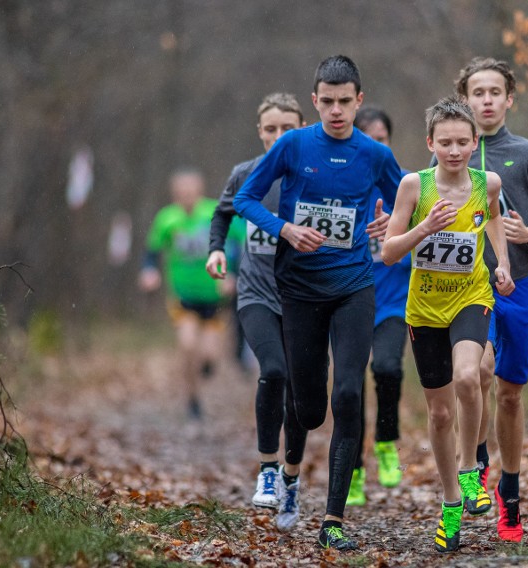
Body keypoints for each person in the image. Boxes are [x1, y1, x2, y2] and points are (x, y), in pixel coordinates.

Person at [233, 55, 404, 551]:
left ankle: (333, 519)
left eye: (344, 102)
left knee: (348, 394)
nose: (335, 110)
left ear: (359, 101)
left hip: (354, 287)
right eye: (326, 102)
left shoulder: (373, 154)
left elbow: (406, 199)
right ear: (314, 102)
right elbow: (245, 199)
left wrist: (388, 223)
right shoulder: (292, 145)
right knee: (307, 409)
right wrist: (284, 227)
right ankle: (287, 480)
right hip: (299, 290)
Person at [381, 95, 515, 553]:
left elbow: (494, 219)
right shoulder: (413, 187)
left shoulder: (488, 183)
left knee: (468, 377)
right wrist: (424, 229)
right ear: (430, 144)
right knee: (438, 414)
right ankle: (451, 503)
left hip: (471, 298)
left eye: (463, 142)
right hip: (423, 309)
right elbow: (389, 252)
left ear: (475, 143)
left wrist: (503, 264)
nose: (455, 150)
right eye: (446, 143)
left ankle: (471, 470)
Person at [455, 56, 528, 542]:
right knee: (476, 370)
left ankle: (510, 492)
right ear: (465, 99)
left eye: (494, 92)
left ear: (508, 99)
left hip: (518, 282)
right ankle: (476, 465)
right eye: (477, 92)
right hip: (466, 285)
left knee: (510, 392)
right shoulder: (452, 154)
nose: (485, 100)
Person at [205, 93, 308, 532]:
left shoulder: (316, 172)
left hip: (306, 299)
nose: (279, 136)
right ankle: (267, 470)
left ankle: (291, 476)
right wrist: (215, 251)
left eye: (288, 128)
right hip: (256, 294)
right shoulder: (246, 174)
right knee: (274, 371)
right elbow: (222, 213)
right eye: (271, 129)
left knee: (302, 395)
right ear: (260, 132)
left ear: (303, 129)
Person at [346, 106, 411, 506]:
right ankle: (352, 469)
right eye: (366, 137)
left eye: (381, 138)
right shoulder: (344, 186)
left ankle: (387, 442)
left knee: (387, 368)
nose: (375, 145)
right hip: (350, 301)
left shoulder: (407, 187)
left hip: (392, 302)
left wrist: (401, 231)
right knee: (349, 389)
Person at [138, 168, 232, 420]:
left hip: (214, 295)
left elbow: (236, 243)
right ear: (174, 194)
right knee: (188, 346)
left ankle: (207, 367)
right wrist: (149, 271)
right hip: (183, 295)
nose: (187, 197)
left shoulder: (215, 212)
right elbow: (152, 251)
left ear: (200, 191)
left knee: (209, 355)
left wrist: (232, 274)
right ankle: (192, 399)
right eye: (181, 193)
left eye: (191, 192)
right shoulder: (167, 219)